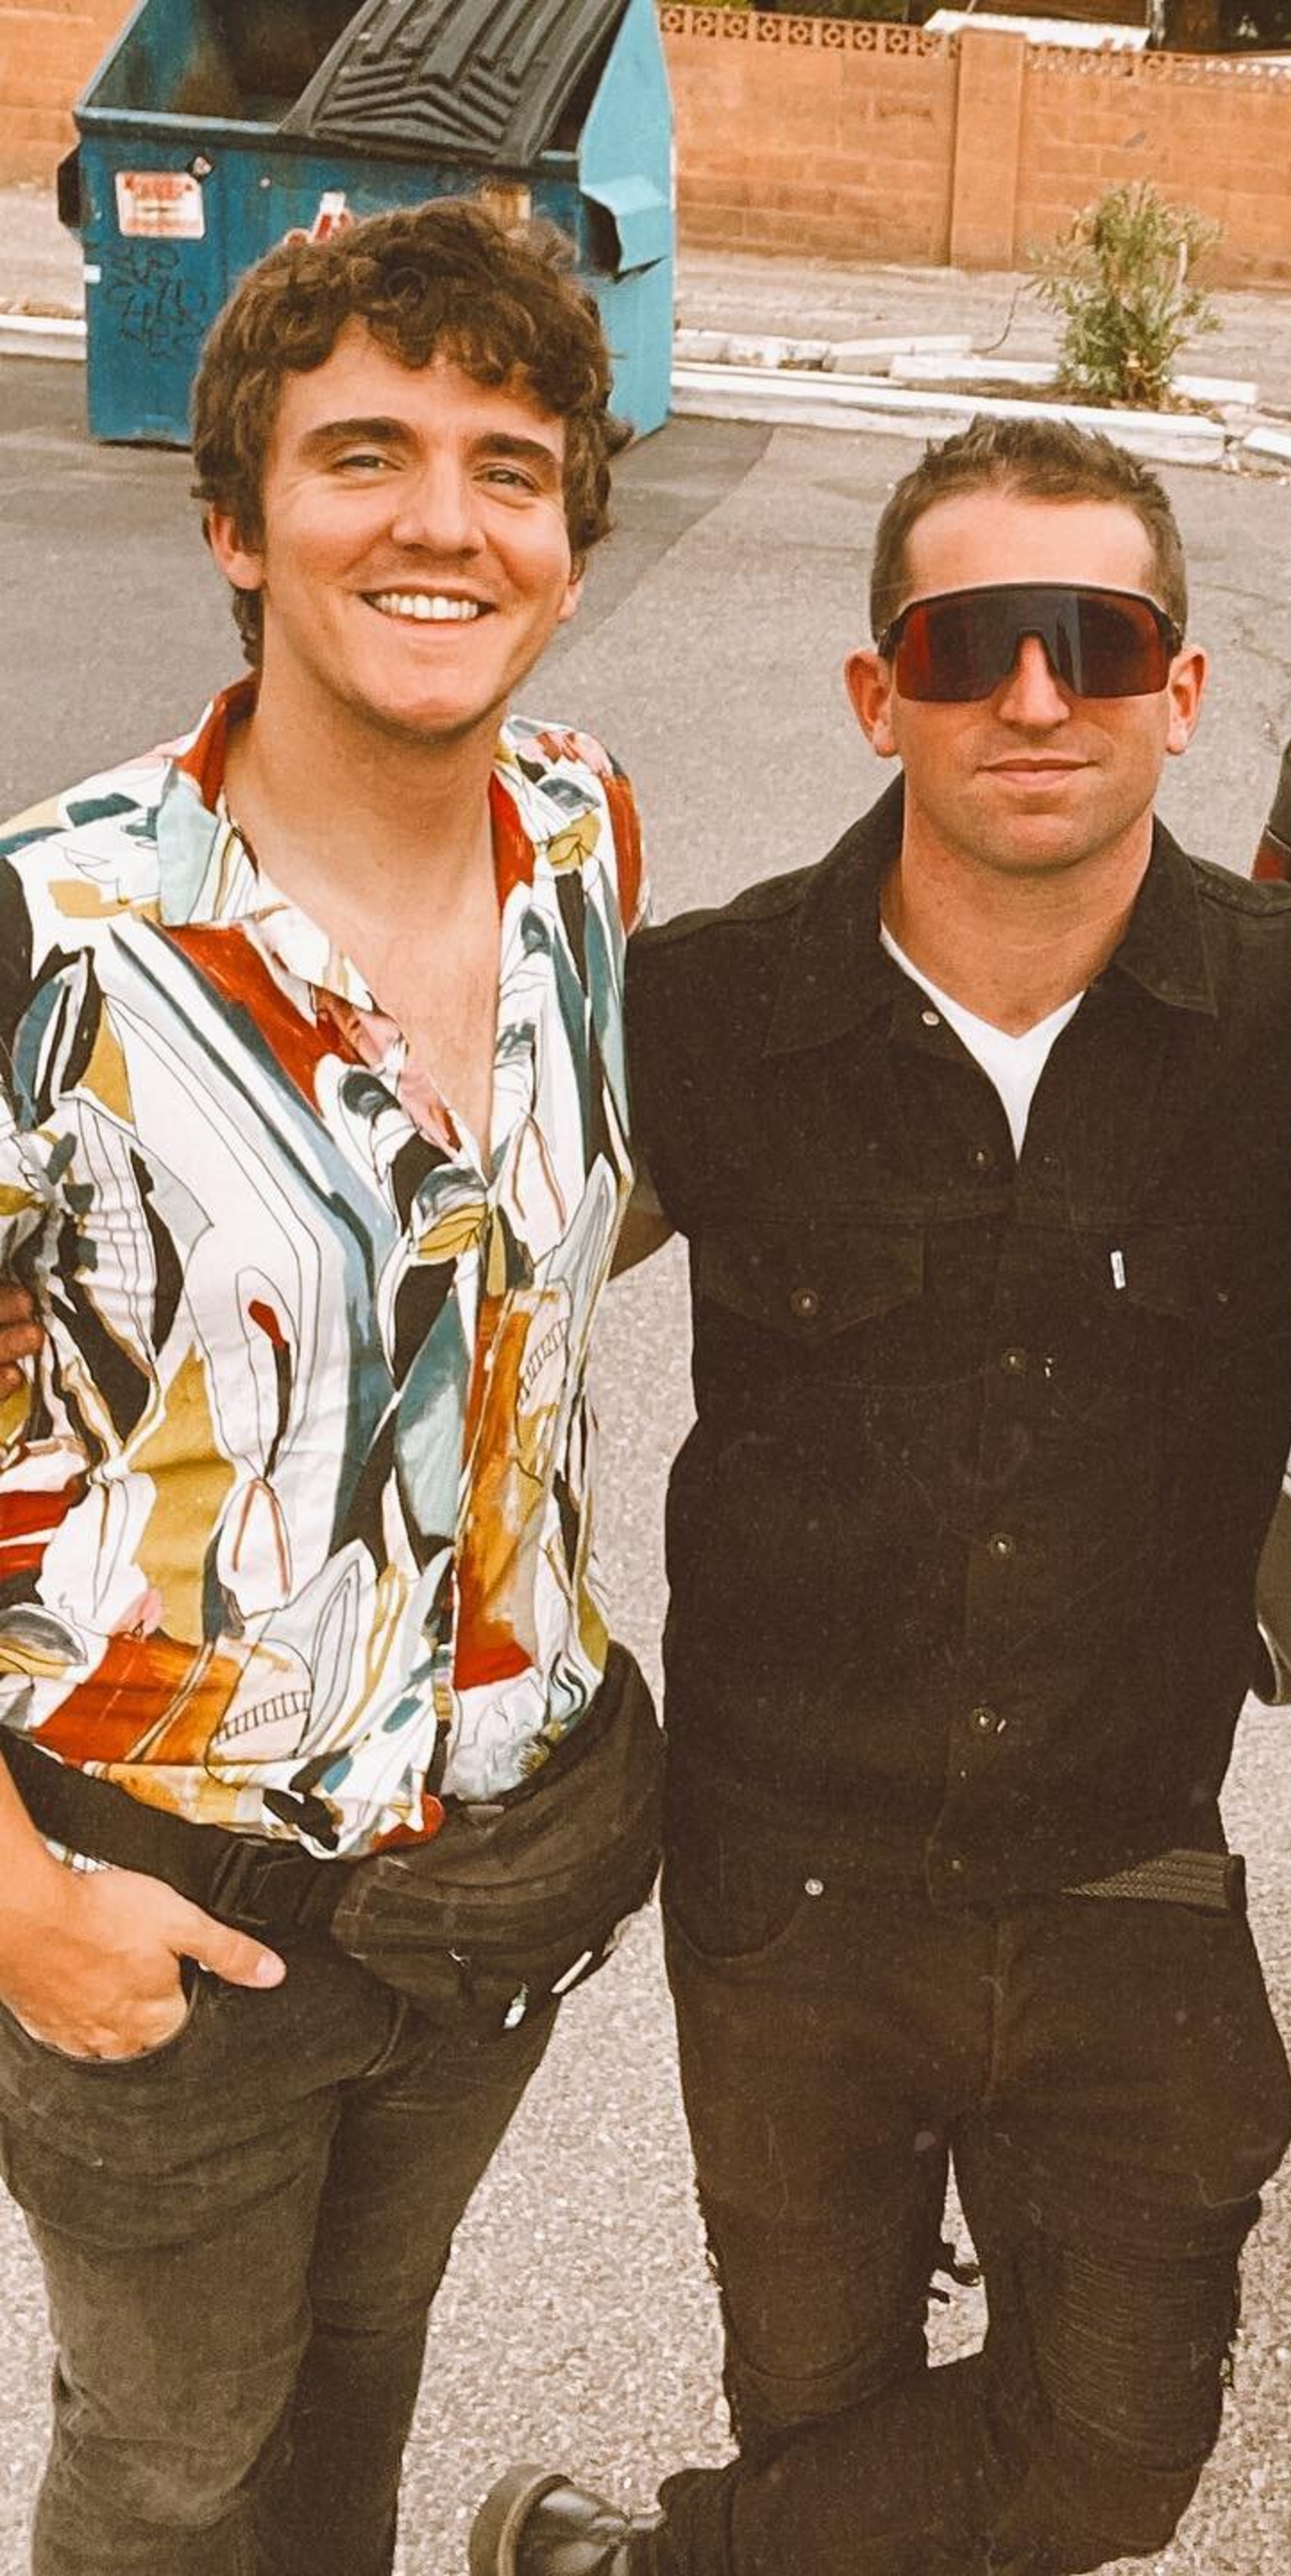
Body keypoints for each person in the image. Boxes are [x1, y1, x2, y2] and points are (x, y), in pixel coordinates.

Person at [472, 419, 1291, 2576]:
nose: (1037, 695)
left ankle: (635, 2567)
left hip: (1125, 1874)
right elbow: (449, 1296)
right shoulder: (706, 1009)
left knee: (1115, 2462)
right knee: (826, 2421)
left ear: (1185, 690)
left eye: (1100, 639)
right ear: (879, 693)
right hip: (791, 1894)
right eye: (971, 644)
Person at [0, 201, 652, 2576]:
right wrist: (12, 1900)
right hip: (160, 1885)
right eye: (365, 453)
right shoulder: (52, 935)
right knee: (172, 2462)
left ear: (570, 541)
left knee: (361, 2375)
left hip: (504, 1855)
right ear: (237, 528)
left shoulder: (580, 834)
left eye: (509, 464)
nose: (442, 519)